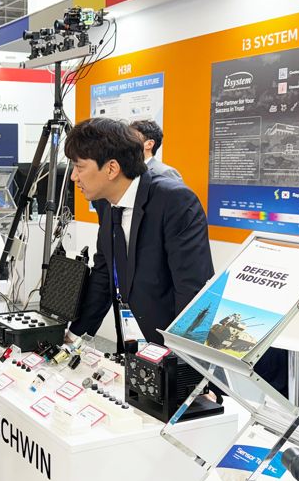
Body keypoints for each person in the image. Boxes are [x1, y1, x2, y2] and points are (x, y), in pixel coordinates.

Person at [66, 118, 213, 351]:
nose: (74, 177)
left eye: (79, 167)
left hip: (168, 344)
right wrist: (74, 333)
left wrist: (182, 356)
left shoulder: (173, 201)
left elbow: (192, 290)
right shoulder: (105, 203)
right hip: (129, 337)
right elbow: (104, 273)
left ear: (111, 168)